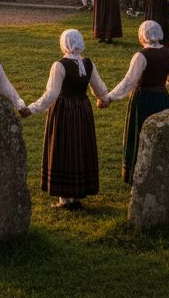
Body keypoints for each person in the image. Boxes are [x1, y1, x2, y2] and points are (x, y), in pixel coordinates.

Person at [21, 29, 109, 210]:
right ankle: (75, 196)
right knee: (78, 147)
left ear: (64, 44)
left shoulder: (59, 66)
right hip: (82, 110)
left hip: (64, 111)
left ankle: (65, 198)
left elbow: (51, 95)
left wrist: (31, 109)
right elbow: (100, 89)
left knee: (63, 148)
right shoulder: (88, 63)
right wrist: (104, 99)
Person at [104, 20, 169, 183]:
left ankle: (138, 171)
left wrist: (110, 97)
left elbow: (129, 81)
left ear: (143, 35)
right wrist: (162, 83)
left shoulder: (141, 56)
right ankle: (160, 171)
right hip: (162, 98)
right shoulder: (167, 53)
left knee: (140, 133)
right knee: (160, 134)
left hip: (143, 99)